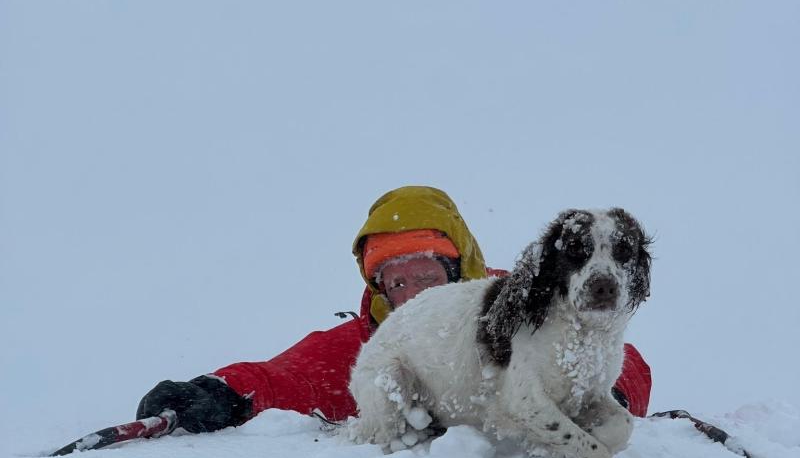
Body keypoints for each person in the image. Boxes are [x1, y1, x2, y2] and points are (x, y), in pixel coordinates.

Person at [137, 186, 652, 432]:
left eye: (426, 274)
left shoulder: (524, 307)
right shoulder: (376, 342)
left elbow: (622, 360)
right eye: (395, 280)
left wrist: (601, 399)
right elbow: (284, 376)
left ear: (458, 267)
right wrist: (218, 391)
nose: (411, 292)